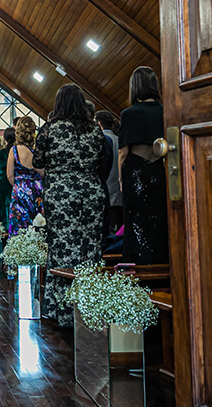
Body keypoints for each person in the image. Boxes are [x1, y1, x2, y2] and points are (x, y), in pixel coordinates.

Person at [34, 84, 106, 327]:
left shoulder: (50, 129)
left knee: (62, 247)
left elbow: (37, 160)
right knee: (90, 248)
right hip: (91, 191)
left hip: (61, 192)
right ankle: (89, 309)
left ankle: (63, 311)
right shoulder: (95, 129)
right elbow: (102, 159)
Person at [118, 66, 169, 265]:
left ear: (135, 87)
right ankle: (160, 263)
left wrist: (121, 180)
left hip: (136, 172)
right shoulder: (166, 110)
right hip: (158, 171)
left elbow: (123, 152)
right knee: (159, 221)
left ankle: (137, 264)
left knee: (136, 223)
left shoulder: (129, 114)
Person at [7, 116, 44, 235]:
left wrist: (19, 185)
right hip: (37, 190)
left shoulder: (14, 151)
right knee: (38, 222)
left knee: (19, 222)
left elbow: (9, 175)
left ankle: (19, 248)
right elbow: (43, 172)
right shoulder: (37, 150)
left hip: (20, 189)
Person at [96, 110, 123, 235]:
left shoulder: (102, 141)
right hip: (122, 193)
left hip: (109, 193)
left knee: (109, 232)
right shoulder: (120, 140)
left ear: (99, 124)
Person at [0, 127, 16, 230]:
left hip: (2, 188)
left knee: (3, 218)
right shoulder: (18, 153)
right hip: (16, 187)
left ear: (4, 139)